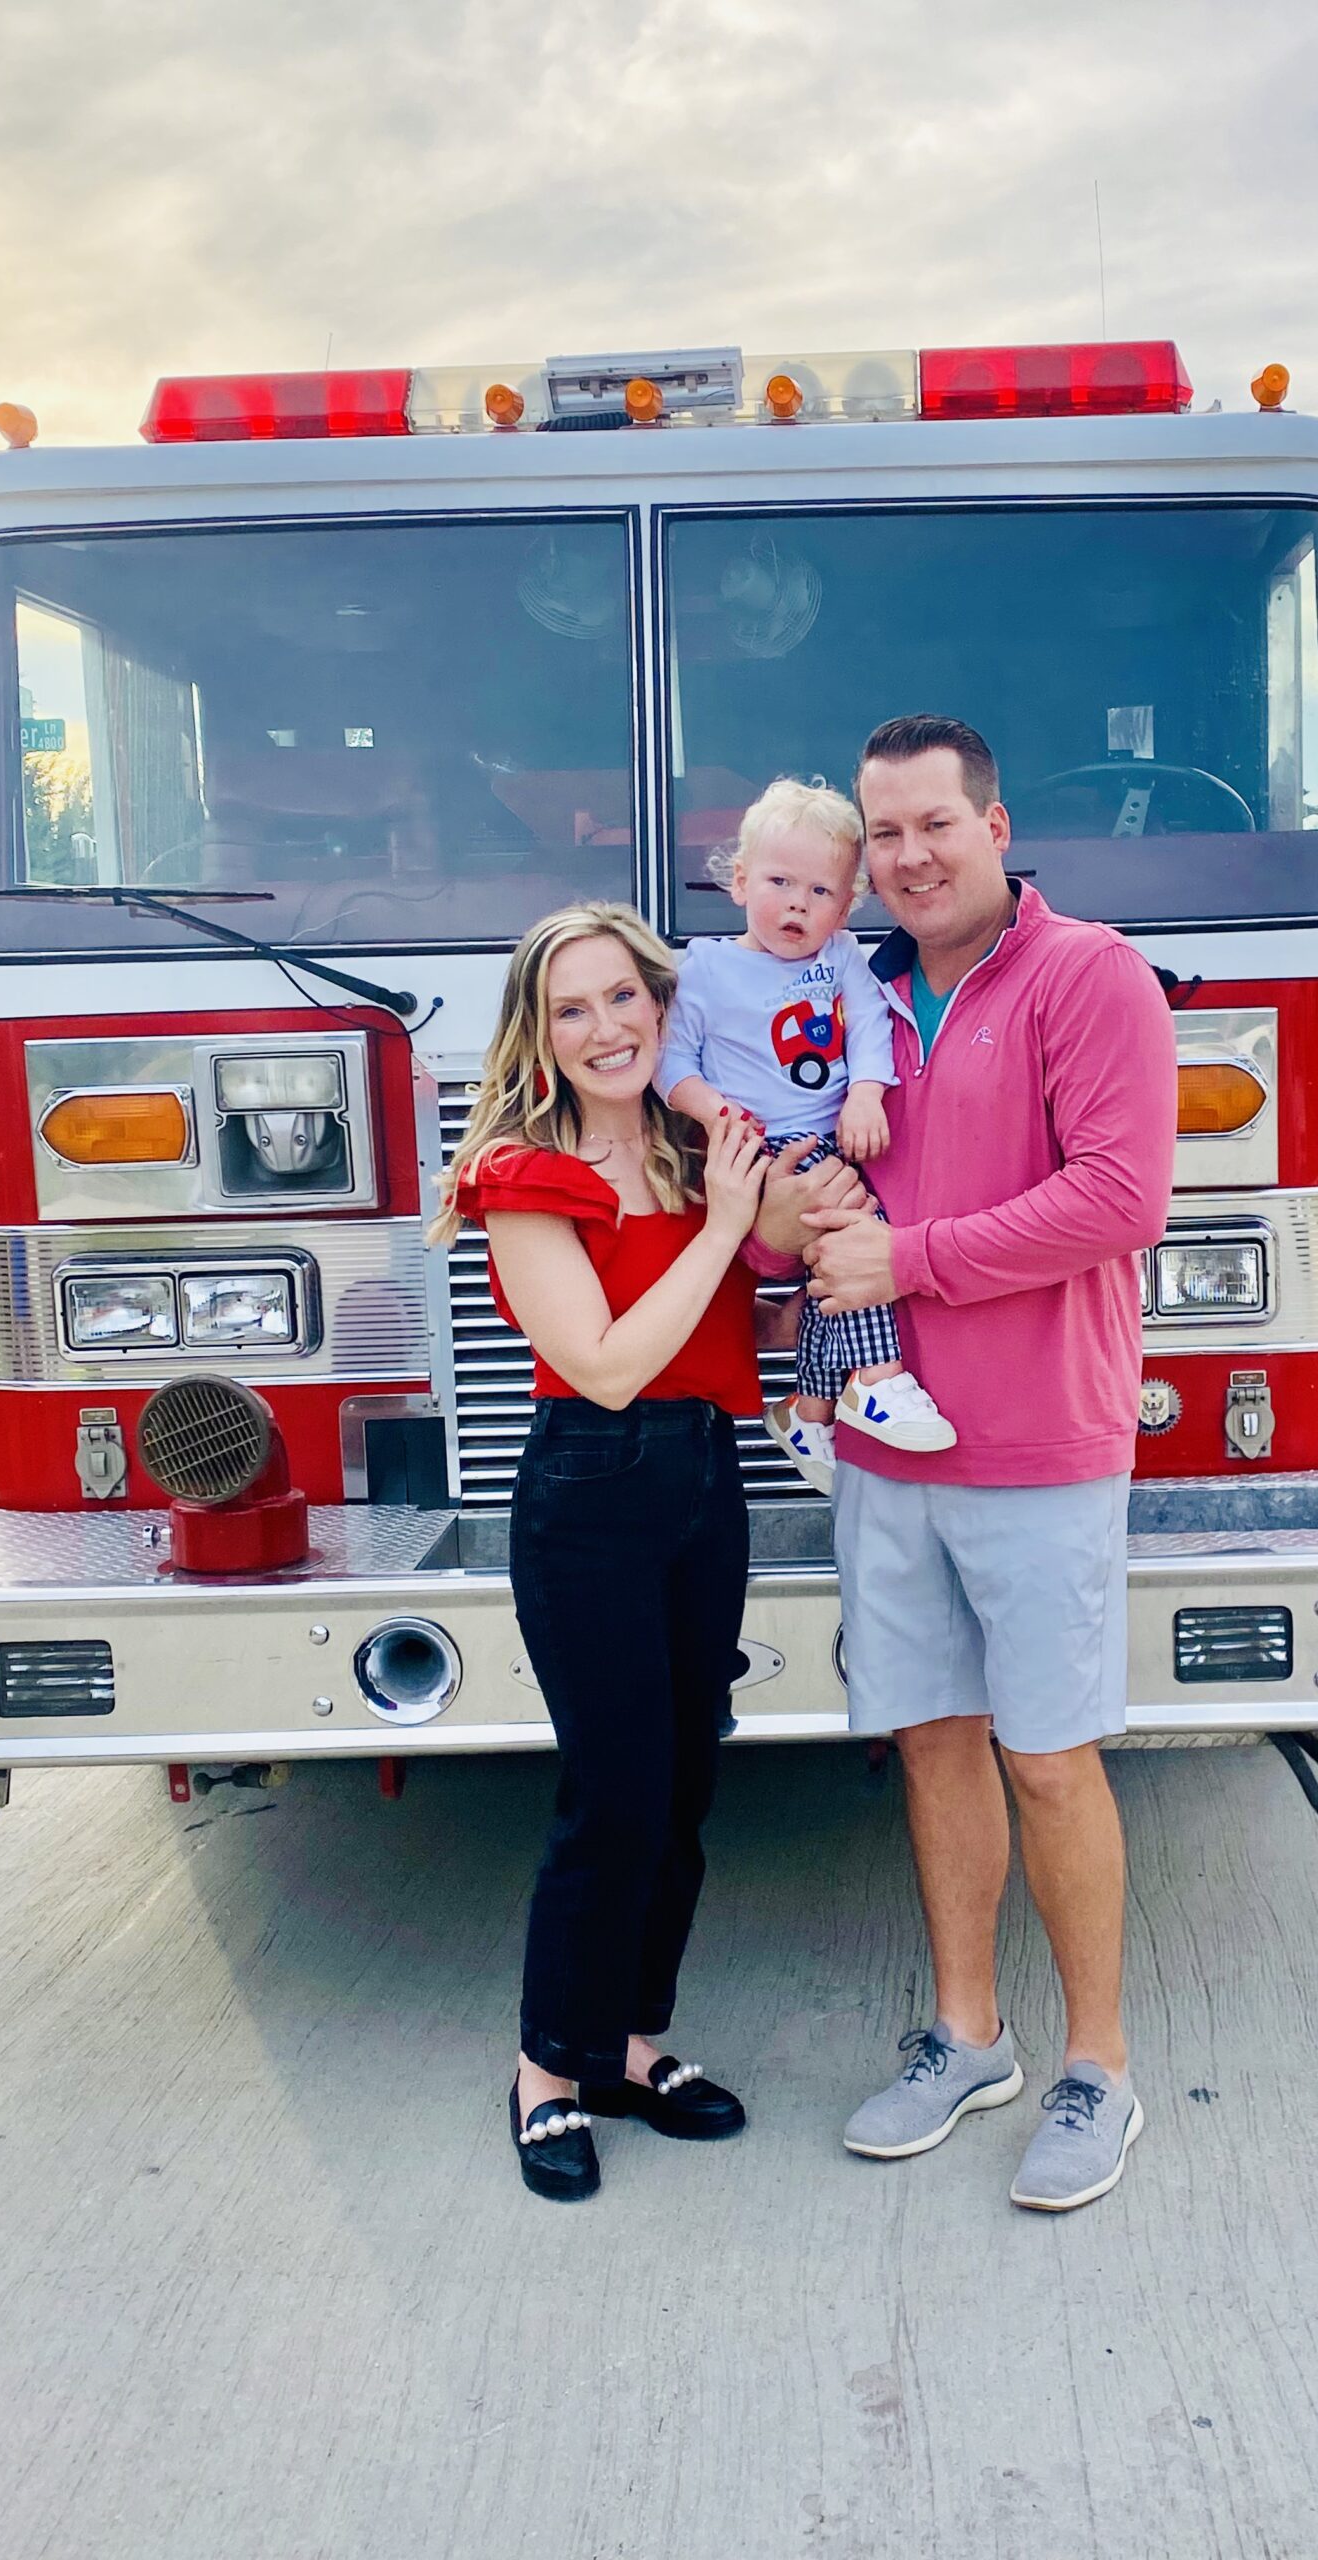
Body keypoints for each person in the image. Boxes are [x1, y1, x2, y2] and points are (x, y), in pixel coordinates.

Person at [804, 715, 1178, 2213]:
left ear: (997, 823)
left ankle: (1101, 2069)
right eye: (881, 836)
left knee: (1049, 1756)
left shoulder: (1089, 977)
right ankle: (969, 2038)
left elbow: (1118, 1197)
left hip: (1037, 1444)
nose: (906, 859)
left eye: (932, 826)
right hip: (883, 1449)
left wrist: (911, 1257)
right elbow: (817, 1187)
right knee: (935, 1743)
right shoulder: (857, 997)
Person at [431, 900, 860, 2201]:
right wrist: (732, 1226)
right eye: (574, 1008)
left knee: (684, 1790)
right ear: (540, 1036)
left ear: (664, 1007)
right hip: (590, 1490)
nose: (607, 1026)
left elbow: (785, 1242)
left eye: (625, 998)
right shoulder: (521, 1176)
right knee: (612, 1793)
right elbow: (608, 1366)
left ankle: (630, 2045)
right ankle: (547, 2072)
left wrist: (798, 1185)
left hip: (704, 1481)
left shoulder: (700, 1143)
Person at [660, 776, 955, 1491]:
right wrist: (714, 1113)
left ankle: (810, 1406)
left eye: (821, 892)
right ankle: (877, 1379)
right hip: (754, 1152)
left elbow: (873, 1030)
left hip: (833, 1137)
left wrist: (864, 1096)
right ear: (738, 881)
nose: (798, 902)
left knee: (834, 1259)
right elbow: (671, 1064)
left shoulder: (842, 958)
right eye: (779, 881)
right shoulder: (704, 969)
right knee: (858, 1238)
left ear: (846, 905)